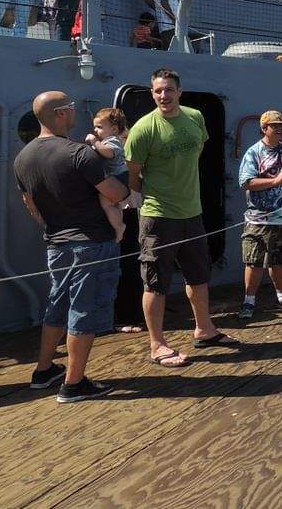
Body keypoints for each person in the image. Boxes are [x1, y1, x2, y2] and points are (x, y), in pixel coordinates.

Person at [13, 90, 129, 402]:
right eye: (72, 107)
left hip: (56, 243)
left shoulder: (23, 158)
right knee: (83, 310)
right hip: (91, 244)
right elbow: (116, 194)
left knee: (58, 304)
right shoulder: (79, 153)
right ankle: (74, 384)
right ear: (61, 114)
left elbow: (30, 204)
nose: (75, 111)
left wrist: (54, 226)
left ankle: (44, 370)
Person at [126, 68, 238, 367]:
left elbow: (196, 151)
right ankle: (157, 345)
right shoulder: (143, 129)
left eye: (168, 90)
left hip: (192, 213)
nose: (163, 95)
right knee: (155, 283)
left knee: (199, 275)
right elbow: (133, 175)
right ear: (152, 94)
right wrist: (147, 199)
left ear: (179, 91)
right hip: (158, 215)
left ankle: (204, 329)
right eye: (158, 91)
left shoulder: (195, 118)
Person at [237, 110, 282, 318]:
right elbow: (246, 182)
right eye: (274, 126)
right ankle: (249, 301)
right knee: (254, 261)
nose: (279, 129)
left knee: (280, 261)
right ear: (264, 128)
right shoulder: (254, 152)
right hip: (259, 219)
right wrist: (274, 181)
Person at [86, 107, 130, 241]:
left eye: (99, 127)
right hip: (117, 177)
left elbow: (109, 153)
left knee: (106, 204)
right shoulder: (106, 141)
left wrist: (94, 142)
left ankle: (119, 227)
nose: (95, 130)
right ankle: (118, 224)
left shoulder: (112, 140)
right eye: (95, 127)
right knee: (114, 204)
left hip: (118, 177)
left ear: (114, 129)